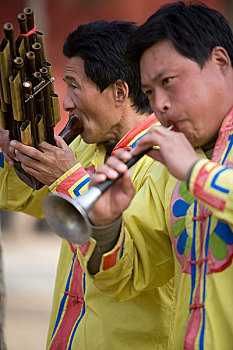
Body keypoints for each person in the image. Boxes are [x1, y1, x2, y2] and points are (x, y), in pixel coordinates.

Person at [0, 21, 176, 349]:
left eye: (74, 86)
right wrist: (16, 155)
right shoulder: (85, 146)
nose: (66, 104)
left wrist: (69, 180)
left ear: (120, 92)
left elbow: (131, 269)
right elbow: (24, 197)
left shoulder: (166, 161)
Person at [85, 2, 233, 350]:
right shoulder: (175, 165)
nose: (160, 106)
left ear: (221, 63)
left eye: (169, 82)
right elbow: (133, 278)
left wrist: (196, 173)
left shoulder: (183, 165)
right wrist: (107, 228)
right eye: (150, 93)